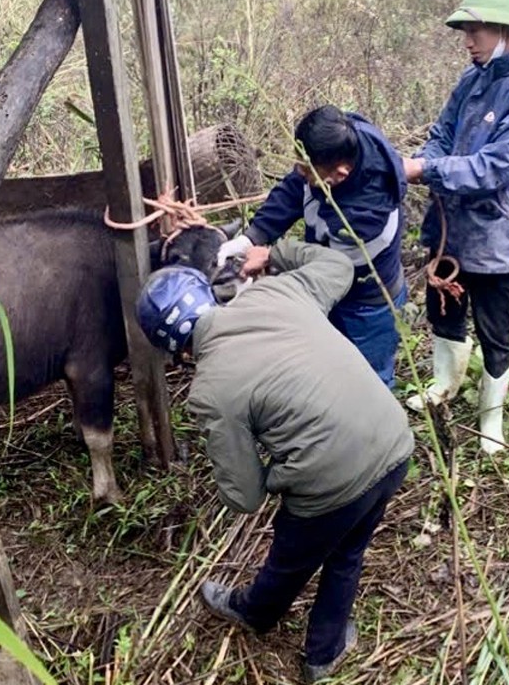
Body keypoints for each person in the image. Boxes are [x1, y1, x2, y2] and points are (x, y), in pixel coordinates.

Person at [136, 240, 414, 683]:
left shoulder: (211, 388)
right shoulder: (275, 292)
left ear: (175, 350)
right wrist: (273, 252)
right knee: (347, 550)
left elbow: (244, 495)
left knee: (292, 555)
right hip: (393, 441)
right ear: (208, 294)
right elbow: (339, 265)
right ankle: (325, 651)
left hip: (331, 483)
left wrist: (282, 467)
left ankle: (254, 612)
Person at [402, 0, 509, 454]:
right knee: (444, 309)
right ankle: (443, 387)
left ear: (505, 31)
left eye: (475, 30)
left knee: (496, 328)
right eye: (465, 31)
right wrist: (425, 159)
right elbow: (441, 134)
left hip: (498, 234)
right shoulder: (472, 79)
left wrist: (423, 168)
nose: (467, 40)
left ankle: (490, 420)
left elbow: (498, 166)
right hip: (450, 225)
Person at [215, 105, 408, 388]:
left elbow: (330, 269)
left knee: (368, 383)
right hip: (332, 293)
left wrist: (270, 258)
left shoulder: (367, 214)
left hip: (366, 305)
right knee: (327, 372)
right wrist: (251, 237)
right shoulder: (337, 146)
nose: (299, 171)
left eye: (307, 169)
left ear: (341, 174)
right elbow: (295, 188)